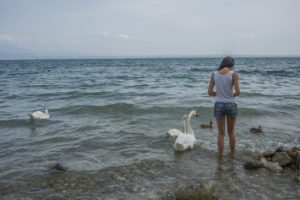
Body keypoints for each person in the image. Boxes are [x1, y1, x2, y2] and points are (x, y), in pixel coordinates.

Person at [208, 56, 240, 157]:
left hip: (219, 104)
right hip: (231, 104)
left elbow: (209, 92)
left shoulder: (214, 74)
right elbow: (238, 92)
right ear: (231, 65)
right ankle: (232, 154)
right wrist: (231, 95)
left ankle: (220, 156)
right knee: (231, 132)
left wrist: (218, 95)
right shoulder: (234, 74)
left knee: (221, 133)